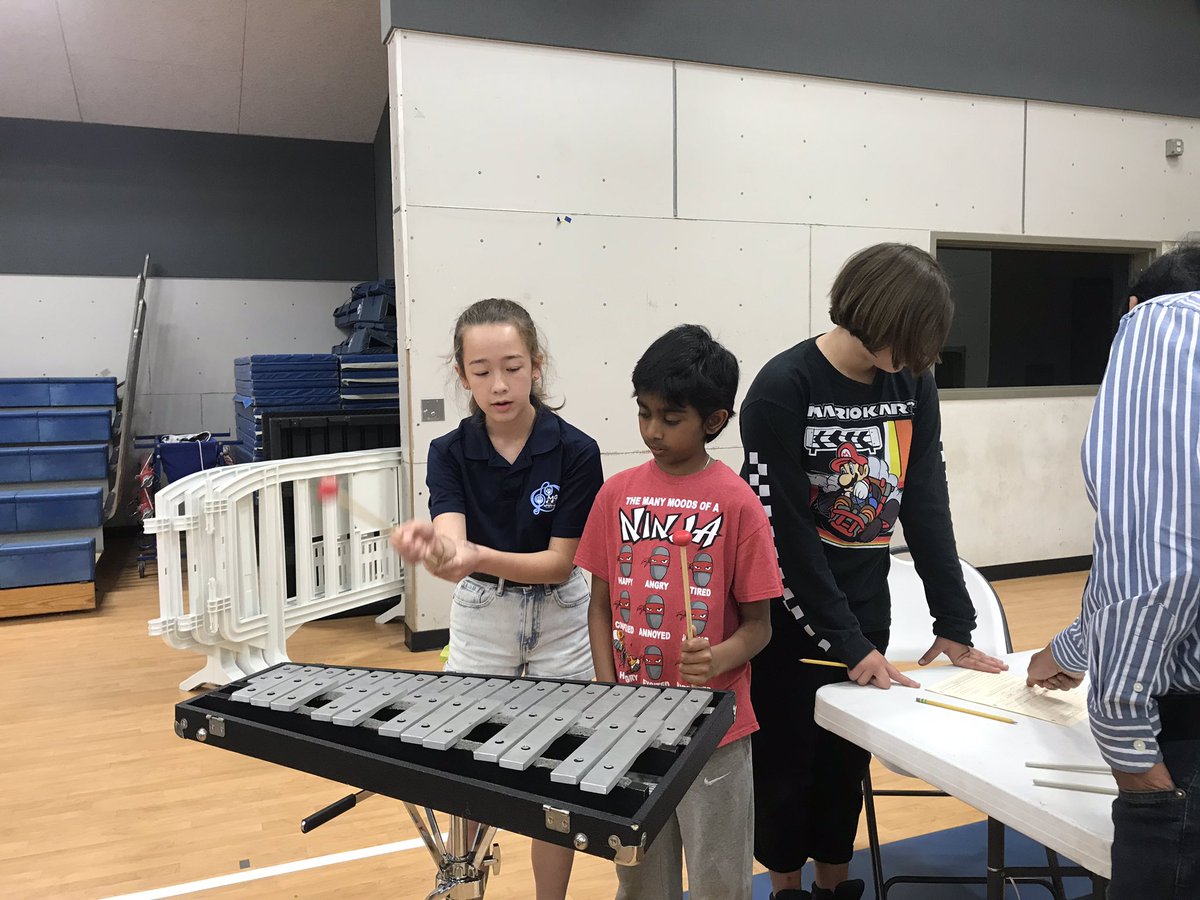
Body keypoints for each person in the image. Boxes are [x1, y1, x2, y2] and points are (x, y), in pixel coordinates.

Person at [739, 243, 1008, 900]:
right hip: (791, 624)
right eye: (911, 343)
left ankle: (836, 886)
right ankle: (785, 890)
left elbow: (924, 498)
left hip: (867, 610)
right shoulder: (783, 388)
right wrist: (845, 642)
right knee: (785, 773)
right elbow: (788, 541)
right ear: (875, 316)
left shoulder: (910, 382)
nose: (919, 362)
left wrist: (955, 621)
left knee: (842, 769)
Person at [389, 297, 603, 900]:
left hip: (563, 619)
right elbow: (454, 551)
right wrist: (436, 548)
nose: (498, 384)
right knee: (469, 768)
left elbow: (560, 564)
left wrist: (473, 557)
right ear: (462, 376)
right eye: (480, 372)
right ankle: (465, 885)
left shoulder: (576, 452)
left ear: (537, 365)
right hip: (484, 617)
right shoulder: (449, 453)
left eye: (511, 366)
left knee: (556, 780)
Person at [574, 324, 780, 900]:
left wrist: (718, 655)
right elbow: (599, 607)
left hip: (716, 730)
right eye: (644, 414)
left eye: (670, 418)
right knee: (640, 881)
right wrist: (606, 685)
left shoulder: (738, 503)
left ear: (714, 420)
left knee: (719, 882)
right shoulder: (616, 494)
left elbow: (761, 627)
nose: (652, 432)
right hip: (632, 725)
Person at [1026, 243, 1200, 899]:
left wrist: (1135, 762)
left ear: (1133, 310)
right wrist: (1072, 647)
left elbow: (1160, 558)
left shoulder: (1165, 336)